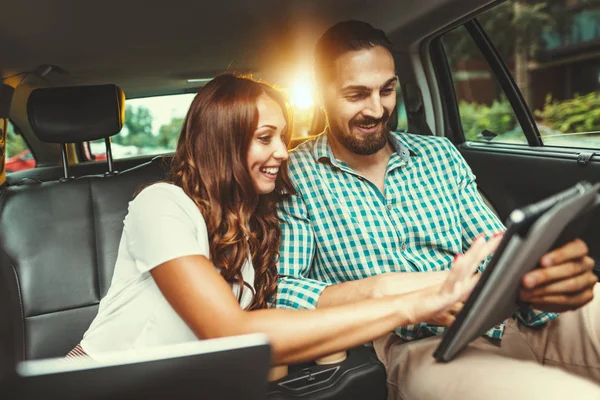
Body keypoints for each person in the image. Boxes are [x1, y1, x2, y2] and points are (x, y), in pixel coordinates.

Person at [67, 73, 497, 366]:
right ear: (223, 143)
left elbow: (358, 291)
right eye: (264, 138)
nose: (281, 152)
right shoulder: (161, 205)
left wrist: (466, 284)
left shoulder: (253, 227)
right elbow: (229, 331)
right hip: (100, 383)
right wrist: (409, 308)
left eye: (283, 137)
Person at [275, 21, 600, 399]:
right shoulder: (294, 173)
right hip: (420, 346)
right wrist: (388, 292)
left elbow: (492, 246)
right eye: (356, 95)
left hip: (507, 317)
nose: (377, 109)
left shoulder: (440, 154)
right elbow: (283, 290)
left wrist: (539, 275)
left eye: (387, 90)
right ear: (320, 95)